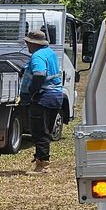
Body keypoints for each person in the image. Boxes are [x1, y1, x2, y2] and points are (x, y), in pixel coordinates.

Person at [22, 26, 66, 171]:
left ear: (34, 44)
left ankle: (42, 165)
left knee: (39, 131)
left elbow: (40, 74)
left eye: (28, 42)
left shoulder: (37, 56)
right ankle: (42, 160)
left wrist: (33, 92)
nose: (27, 45)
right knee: (45, 130)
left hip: (43, 97)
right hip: (56, 96)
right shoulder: (50, 53)